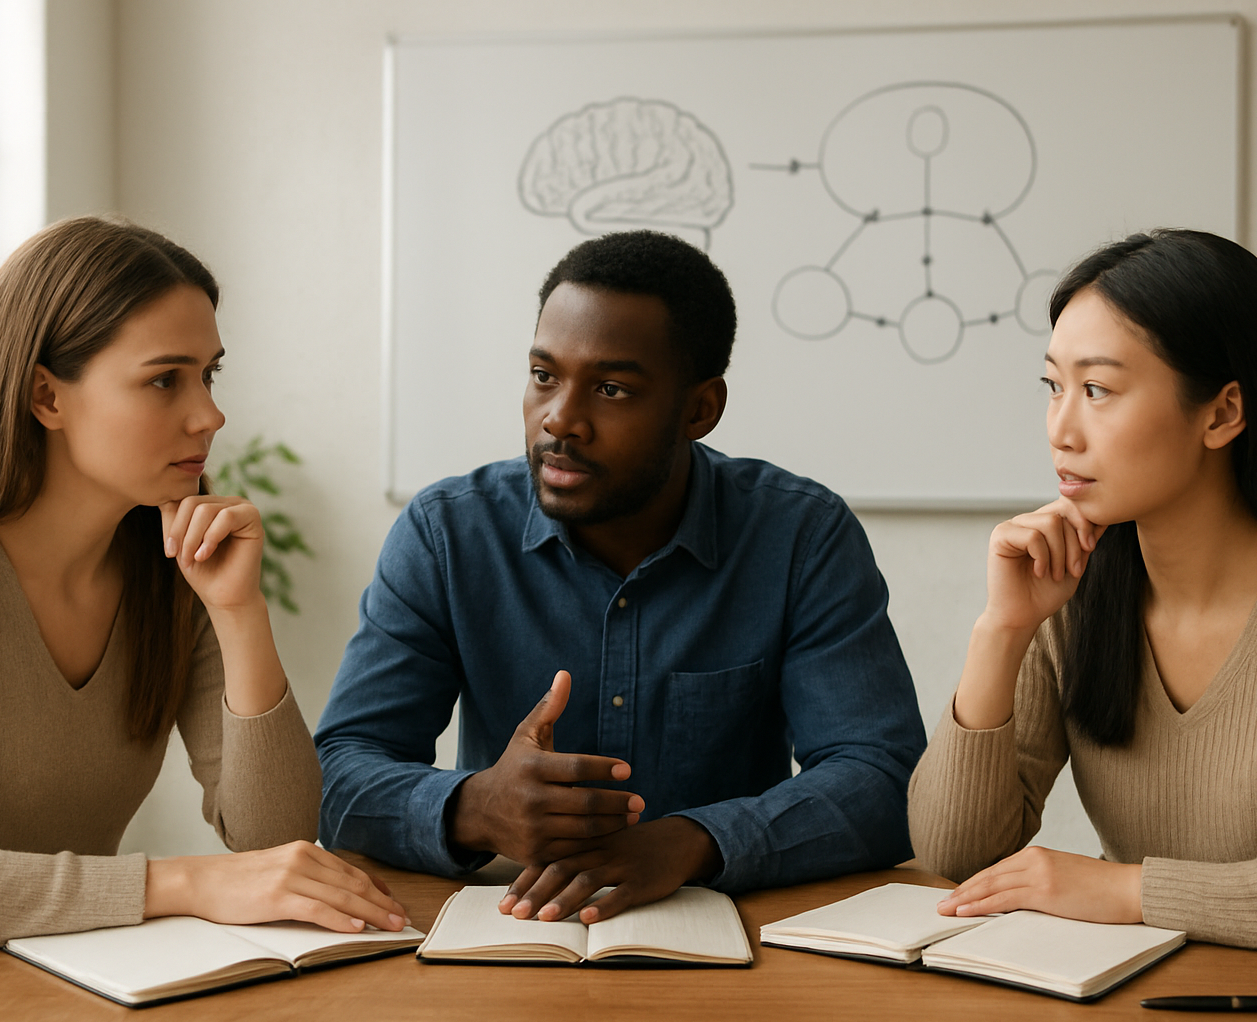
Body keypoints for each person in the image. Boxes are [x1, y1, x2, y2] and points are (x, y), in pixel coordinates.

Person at [317, 230, 926, 924]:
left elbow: (883, 780)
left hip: (731, 943)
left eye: (610, 388)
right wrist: (474, 808)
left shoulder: (801, 537)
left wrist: (694, 842)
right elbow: (340, 774)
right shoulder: (447, 534)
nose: (560, 419)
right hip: (514, 931)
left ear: (700, 408)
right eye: (544, 375)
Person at [0, 217, 407, 951]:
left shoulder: (172, 564)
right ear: (46, 398)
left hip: (64, 982)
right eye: (164, 379)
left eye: (209, 374)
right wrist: (183, 884)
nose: (210, 414)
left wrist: (239, 611)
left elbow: (272, 838)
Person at [907, 229, 1257, 965]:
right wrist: (1002, 628)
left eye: (1097, 390)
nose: (1061, 429)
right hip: (1142, 999)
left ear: (1222, 413)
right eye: (1053, 387)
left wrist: (1125, 892)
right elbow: (955, 854)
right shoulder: (1068, 591)